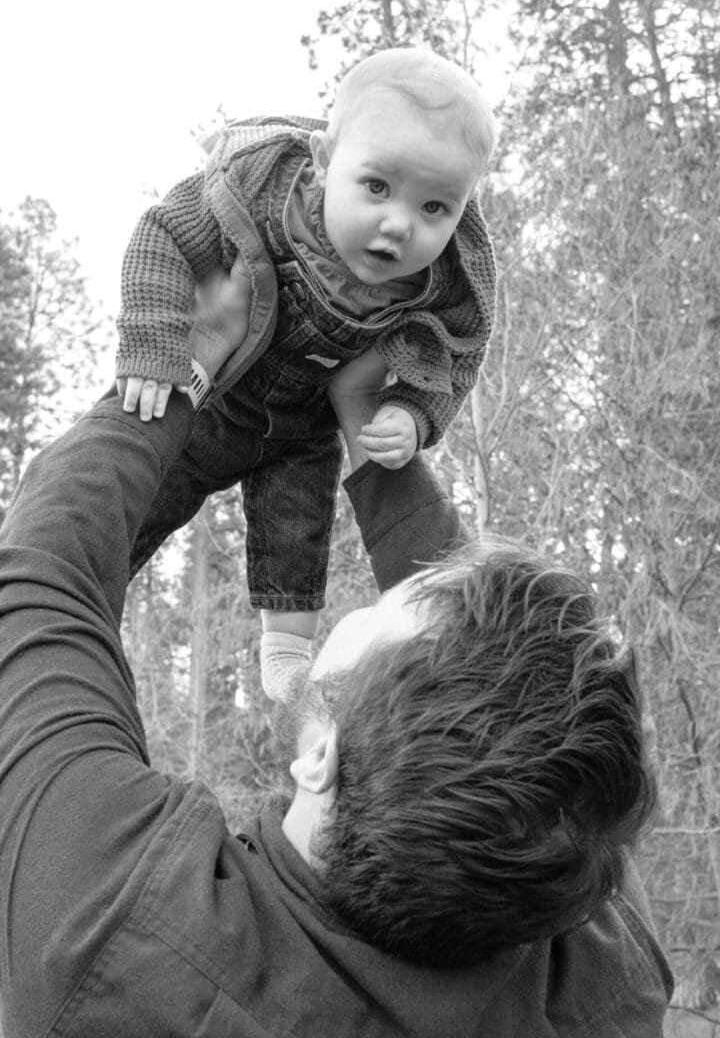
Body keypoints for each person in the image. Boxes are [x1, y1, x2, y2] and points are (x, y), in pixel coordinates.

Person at [0, 281, 672, 1037]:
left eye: (392, 607)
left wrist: (183, 361)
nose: (401, 586)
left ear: (324, 755)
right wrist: (366, 421)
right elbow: (555, 766)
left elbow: (44, 574)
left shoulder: (109, 924)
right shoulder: (601, 984)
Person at [115, 46, 498, 698]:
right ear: (323, 163)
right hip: (223, 392)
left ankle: (286, 650)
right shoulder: (257, 197)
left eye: (436, 208)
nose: (398, 225)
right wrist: (155, 347)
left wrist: (410, 412)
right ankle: (98, 584)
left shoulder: (445, 277)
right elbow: (162, 236)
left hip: (306, 418)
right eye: (376, 187)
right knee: (152, 487)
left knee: (295, 522)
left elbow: (454, 348)